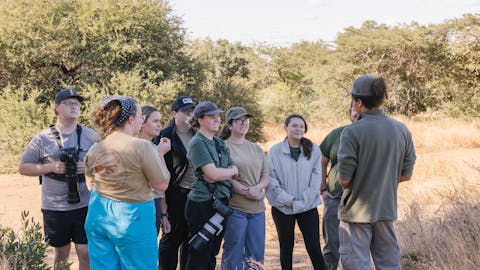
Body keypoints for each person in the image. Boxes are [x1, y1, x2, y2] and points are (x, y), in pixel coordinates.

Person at [337, 75, 416, 270]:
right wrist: (381, 180)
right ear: (381, 99)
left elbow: (344, 179)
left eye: (353, 99)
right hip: (386, 209)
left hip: (356, 212)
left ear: (359, 102)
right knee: (388, 264)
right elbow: (406, 174)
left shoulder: (352, 132)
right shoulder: (401, 130)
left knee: (356, 265)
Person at [84, 95, 171, 269]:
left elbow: (90, 185)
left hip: (98, 215)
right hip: (132, 218)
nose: (141, 121)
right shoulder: (141, 146)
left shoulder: (95, 148)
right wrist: (160, 154)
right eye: (141, 117)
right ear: (131, 119)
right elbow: (161, 185)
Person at [18, 88, 97, 270]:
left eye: (77, 103)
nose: (74, 106)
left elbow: (109, 162)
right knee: (61, 253)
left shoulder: (90, 135)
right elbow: (23, 167)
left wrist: (89, 167)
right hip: (55, 206)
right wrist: (50, 167)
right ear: (56, 108)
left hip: (84, 203)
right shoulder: (42, 138)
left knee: (85, 251)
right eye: (69, 103)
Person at [266, 114, 326, 270]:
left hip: (308, 207)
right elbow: (271, 180)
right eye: (294, 125)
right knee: (286, 248)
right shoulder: (275, 151)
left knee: (314, 248)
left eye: (301, 126)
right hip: (282, 208)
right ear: (285, 128)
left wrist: (303, 202)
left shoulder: (314, 149)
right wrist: (289, 201)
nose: (298, 128)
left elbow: (316, 178)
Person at [185, 101, 238, 270]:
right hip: (202, 203)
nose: (217, 119)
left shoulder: (219, 143)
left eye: (218, 115)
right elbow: (212, 174)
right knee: (199, 253)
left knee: (212, 253)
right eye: (212, 116)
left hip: (221, 202)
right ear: (200, 120)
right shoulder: (197, 143)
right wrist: (223, 172)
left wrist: (221, 173)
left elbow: (234, 172)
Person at [219, 107, 269, 270]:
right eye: (239, 120)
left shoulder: (255, 148)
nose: (244, 123)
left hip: (257, 211)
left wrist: (259, 190)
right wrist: (249, 192)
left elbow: (265, 175)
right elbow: (226, 177)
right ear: (229, 125)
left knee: (256, 256)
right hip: (235, 209)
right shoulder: (223, 147)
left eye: (246, 120)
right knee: (233, 253)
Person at [156, 96, 196, 270]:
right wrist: (164, 212)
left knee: (191, 241)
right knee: (171, 239)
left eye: (193, 111)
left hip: (196, 195)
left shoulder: (199, 134)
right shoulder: (164, 137)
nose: (190, 115)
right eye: (186, 111)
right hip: (174, 195)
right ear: (174, 114)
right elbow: (158, 173)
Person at [319, 103, 359, 270]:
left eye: (359, 111)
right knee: (332, 241)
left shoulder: (371, 135)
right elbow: (322, 160)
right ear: (349, 113)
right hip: (334, 195)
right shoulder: (337, 134)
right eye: (354, 111)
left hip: (359, 198)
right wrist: (322, 188)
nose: (357, 114)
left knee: (356, 243)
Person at [138, 105, 168, 235]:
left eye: (160, 121)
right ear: (142, 122)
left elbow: (161, 191)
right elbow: (162, 183)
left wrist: (164, 214)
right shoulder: (134, 147)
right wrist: (160, 154)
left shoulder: (155, 147)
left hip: (154, 204)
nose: (159, 125)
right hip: (138, 206)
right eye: (155, 121)